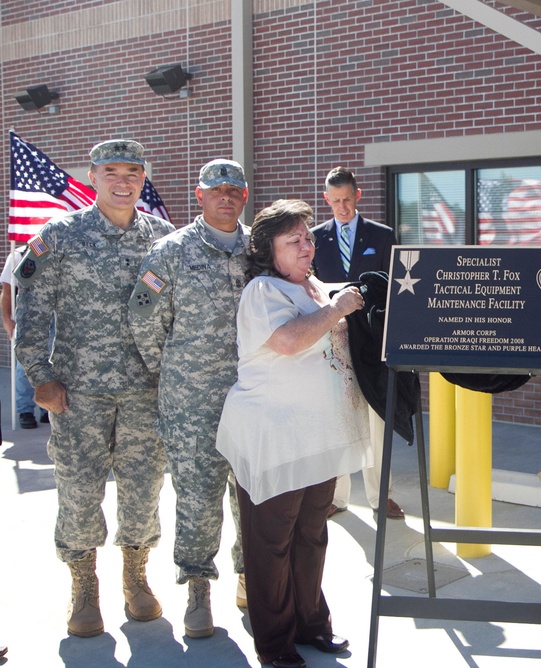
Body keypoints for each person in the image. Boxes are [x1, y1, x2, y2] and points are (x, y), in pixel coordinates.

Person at [14, 139, 175, 637]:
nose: (123, 181)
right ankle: (83, 586)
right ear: (94, 175)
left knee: (144, 488)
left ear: (143, 177)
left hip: (145, 390)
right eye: (111, 172)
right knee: (80, 489)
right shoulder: (60, 235)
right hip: (76, 391)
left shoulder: (164, 238)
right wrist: (39, 377)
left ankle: (136, 574)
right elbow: (31, 310)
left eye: (133, 172)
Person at [216, 199, 370, 668]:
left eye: (308, 238)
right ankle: (275, 643)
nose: (307, 247)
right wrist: (339, 307)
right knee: (271, 542)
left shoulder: (316, 286)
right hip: (274, 438)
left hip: (318, 439)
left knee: (311, 534)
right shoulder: (263, 291)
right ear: (267, 250)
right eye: (294, 241)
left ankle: (312, 623)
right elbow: (286, 341)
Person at [128, 159, 251, 638]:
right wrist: (176, 369)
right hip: (190, 402)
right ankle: (198, 589)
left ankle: (249, 576)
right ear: (198, 196)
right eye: (216, 189)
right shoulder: (170, 251)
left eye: (234, 189)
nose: (226, 195)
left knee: (251, 495)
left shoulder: (258, 250)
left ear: (244, 196)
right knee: (197, 498)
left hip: (251, 397)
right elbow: (143, 319)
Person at [311, 166, 402, 519]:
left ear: (358, 195)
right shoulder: (315, 239)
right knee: (337, 417)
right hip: (333, 341)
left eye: (347, 200)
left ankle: (381, 497)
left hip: (373, 340)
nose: (342, 207)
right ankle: (337, 496)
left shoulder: (382, 236)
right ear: (326, 200)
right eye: (335, 202)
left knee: (376, 419)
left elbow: (395, 287)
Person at [1, 247, 48, 429]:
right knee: (24, 368)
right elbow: (7, 289)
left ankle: (46, 408)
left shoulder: (59, 250)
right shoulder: (18, 255)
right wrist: (6, 319)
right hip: (27, 319)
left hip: (55, 319)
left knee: (53, 364)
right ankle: (25, 410)